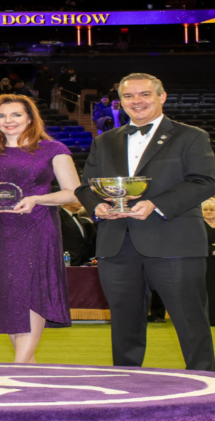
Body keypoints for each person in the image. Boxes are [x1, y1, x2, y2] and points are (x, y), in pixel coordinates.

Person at [75, 73, 215, 371]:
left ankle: (206, 388)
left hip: (175, 242)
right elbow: (86, 186)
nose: (137, 101)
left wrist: (156, 204)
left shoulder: (191, 136)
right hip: (116, 244)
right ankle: (128, 387)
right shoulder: (104, 141)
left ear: (161, 97)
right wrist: (98, 207)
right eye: (129, 96)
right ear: (121, 101)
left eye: (145, 94)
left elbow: (205, 181)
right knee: (124, 326)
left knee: (191, 323)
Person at [0, 93, 79, 363]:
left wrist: (39, 199)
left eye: (15, 115)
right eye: (1, 116)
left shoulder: (53, 149)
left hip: (36, 228)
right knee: (9, 295)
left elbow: (73, 193)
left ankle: (19, 365)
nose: (8, 121)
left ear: (30, 118)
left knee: (31, 291)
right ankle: (29, 367)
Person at [59, 202, 96, 266]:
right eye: (77, 200)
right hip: (66, 260)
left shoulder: (75, 217)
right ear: (68, 202)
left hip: (80, 261)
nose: (81, 202)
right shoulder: (59, 215)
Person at [202, 198, 215, 326]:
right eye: (205, 210)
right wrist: (211, 251)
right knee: (209, 289)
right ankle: (209, 318)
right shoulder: (200, 225)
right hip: (207, 261)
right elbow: (197, 243)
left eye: (212, 210)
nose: (209, 212)